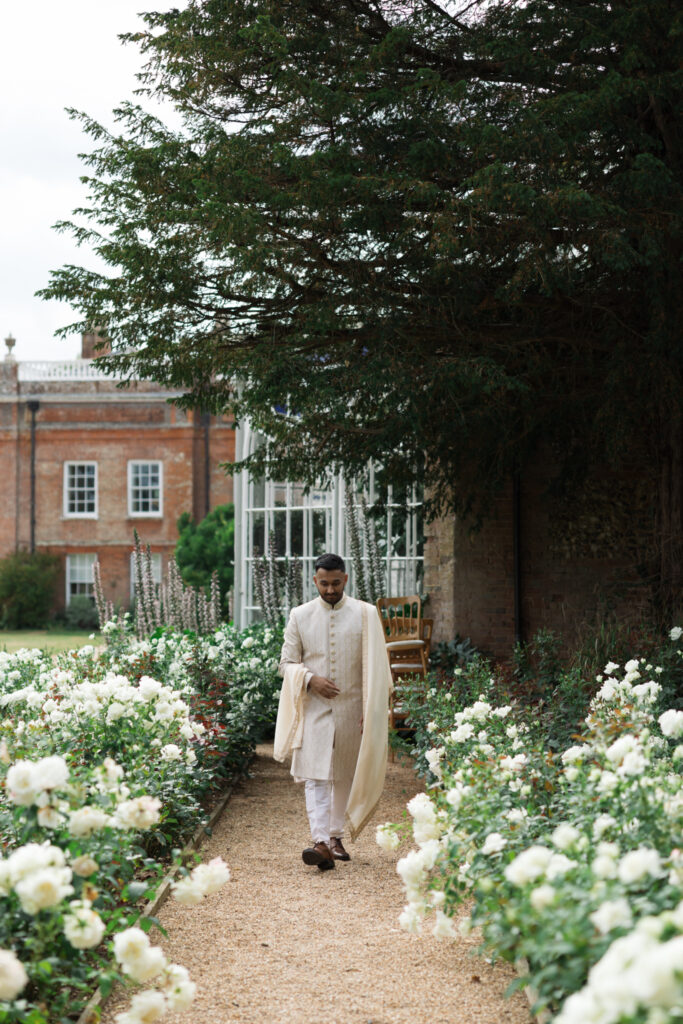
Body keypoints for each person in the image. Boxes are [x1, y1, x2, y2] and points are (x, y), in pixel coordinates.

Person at [274, 553, 392, 871]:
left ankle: (335, 836)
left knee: (344, 774)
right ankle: (320, 841)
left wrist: (373, 710)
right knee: (315, 775)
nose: (329, 590)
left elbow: (377, 667)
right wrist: (310, 680)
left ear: (346, 579)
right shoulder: (300, 615)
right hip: (313, 707)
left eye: (335, 583)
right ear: (315, 581)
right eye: (324, 583)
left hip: (354, 707)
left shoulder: (366, 614)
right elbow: (285, 664)